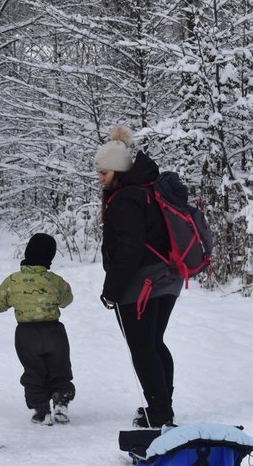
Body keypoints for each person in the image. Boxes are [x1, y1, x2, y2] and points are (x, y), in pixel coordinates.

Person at [95, 124, 181, 428]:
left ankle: (158, 414)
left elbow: (129, 249)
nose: (100, 178)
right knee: (154, 343)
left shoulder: (125, 200)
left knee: (143, 348)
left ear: (117, 171)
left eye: (103, 173)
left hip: (142, 284)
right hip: (169, 278)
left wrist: (112, 290)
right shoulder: (147, 189)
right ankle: (163, 408)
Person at [0, 233, 75, 425]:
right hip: (54, 332)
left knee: (33, 371)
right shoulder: (55, 281)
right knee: (60, 368)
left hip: (27, 335)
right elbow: (67, 300)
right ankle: (61, 401)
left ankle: (41, 410)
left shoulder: (13, 281)